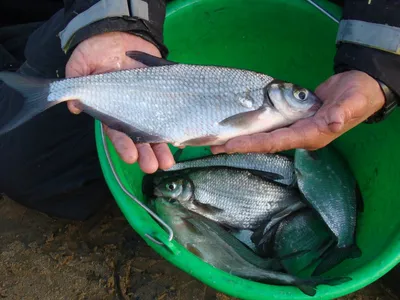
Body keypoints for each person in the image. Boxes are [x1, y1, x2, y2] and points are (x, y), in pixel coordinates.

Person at [0, 0, 399, 221]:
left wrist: (380, 62)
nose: (306, 99)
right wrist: (111, 19)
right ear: (276, 93)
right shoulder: (259, 95)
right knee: (27, 164)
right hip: (144, 13)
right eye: (297, 95)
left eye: (300, 96)